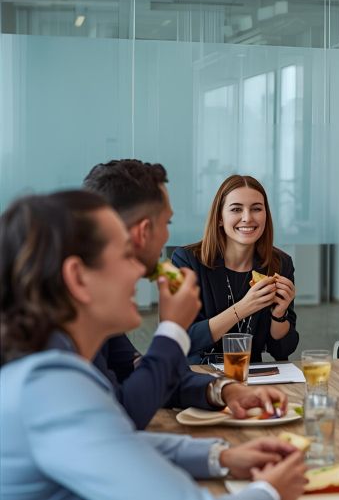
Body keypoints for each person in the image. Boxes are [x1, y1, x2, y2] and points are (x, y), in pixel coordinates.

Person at [0, 191, 307, 500]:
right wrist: (270, 492)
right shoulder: (52, 386)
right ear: (78, 278)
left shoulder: (53, 366)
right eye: (125, 256)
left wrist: (221, 457)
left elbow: (118, 441)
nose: (141, 271)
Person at [84, 160, 286, 429]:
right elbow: (122, 417)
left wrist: (223, 391)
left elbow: (137, 368)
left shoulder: (98, 303)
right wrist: (172, 330)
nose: (169, 235)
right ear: (144, 231)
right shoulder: (71, 317)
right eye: (167, 222)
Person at [172, 175, 298, 364]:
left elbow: (283, 350)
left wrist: (279, 315)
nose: (247, 218)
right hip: (197, 376)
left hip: (251, 377)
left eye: (256, 209)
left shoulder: (280, 264)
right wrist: (242, 308)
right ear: (220, 218)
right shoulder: (186, 261)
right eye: (236, 209)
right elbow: (180, 339)